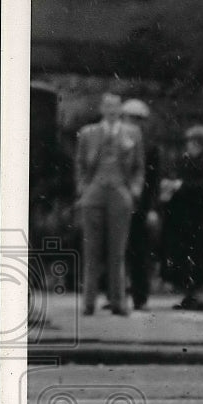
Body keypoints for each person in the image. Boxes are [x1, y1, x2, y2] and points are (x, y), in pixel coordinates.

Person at [74, 93, 145, 316]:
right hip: (95, 190)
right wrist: (82, 188)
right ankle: (88, 302)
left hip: (119, 190)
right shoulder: (88, 133)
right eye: (108, 106)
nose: (112, 110)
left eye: (115, 106)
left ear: (120, 110)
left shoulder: (133, 133)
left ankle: (118, 301)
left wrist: (134, 189)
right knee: (91, 249)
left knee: (118, 251)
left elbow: (139, 167)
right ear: (102, 109)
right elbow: (79, 163)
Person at [159, 126, 203, 311]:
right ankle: (190, 294)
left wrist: (182, 185)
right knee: (187, 258)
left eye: (193, 141)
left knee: (200, 258)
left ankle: (199, 295)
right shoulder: (186, 160)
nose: (189, 145)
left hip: (202, 217)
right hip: (186, 217)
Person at [120, 99, 160, 311]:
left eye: (137, 119)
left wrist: (152, 207)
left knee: (139, 251)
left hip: (140, 205)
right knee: (117, 250)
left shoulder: (150, 147)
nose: (132, 123)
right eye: (129, 118)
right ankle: (116, 294)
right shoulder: (115, 142)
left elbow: (153, 181)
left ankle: (140, 296)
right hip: (119, 202)